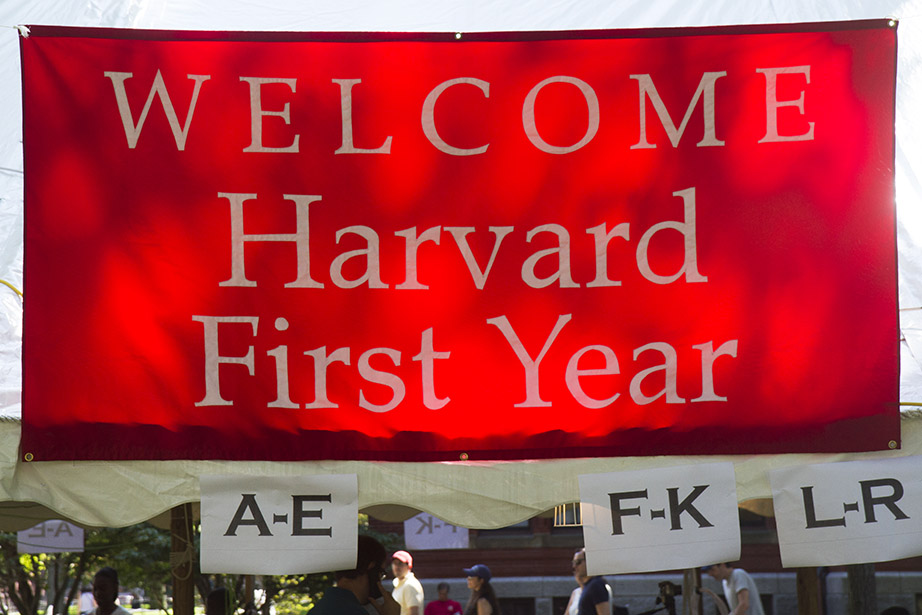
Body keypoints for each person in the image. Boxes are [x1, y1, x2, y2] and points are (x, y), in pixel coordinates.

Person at [310, 535, 401, 615]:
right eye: (381, 574)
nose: (380, 581)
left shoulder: (320, 608)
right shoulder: (352, 611)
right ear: (371, 567)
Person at [568, 549, 610, 615]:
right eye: (574, 562)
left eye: (578, 562)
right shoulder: (588, 586)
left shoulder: (596, 585)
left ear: (589, 562)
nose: (574, 566)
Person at [391, 550, 424, 615]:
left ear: (409, 566)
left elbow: (414, 613)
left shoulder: (410, 585)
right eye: (395, 563)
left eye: (400, 563)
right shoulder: (399, 584)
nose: (397, 567)